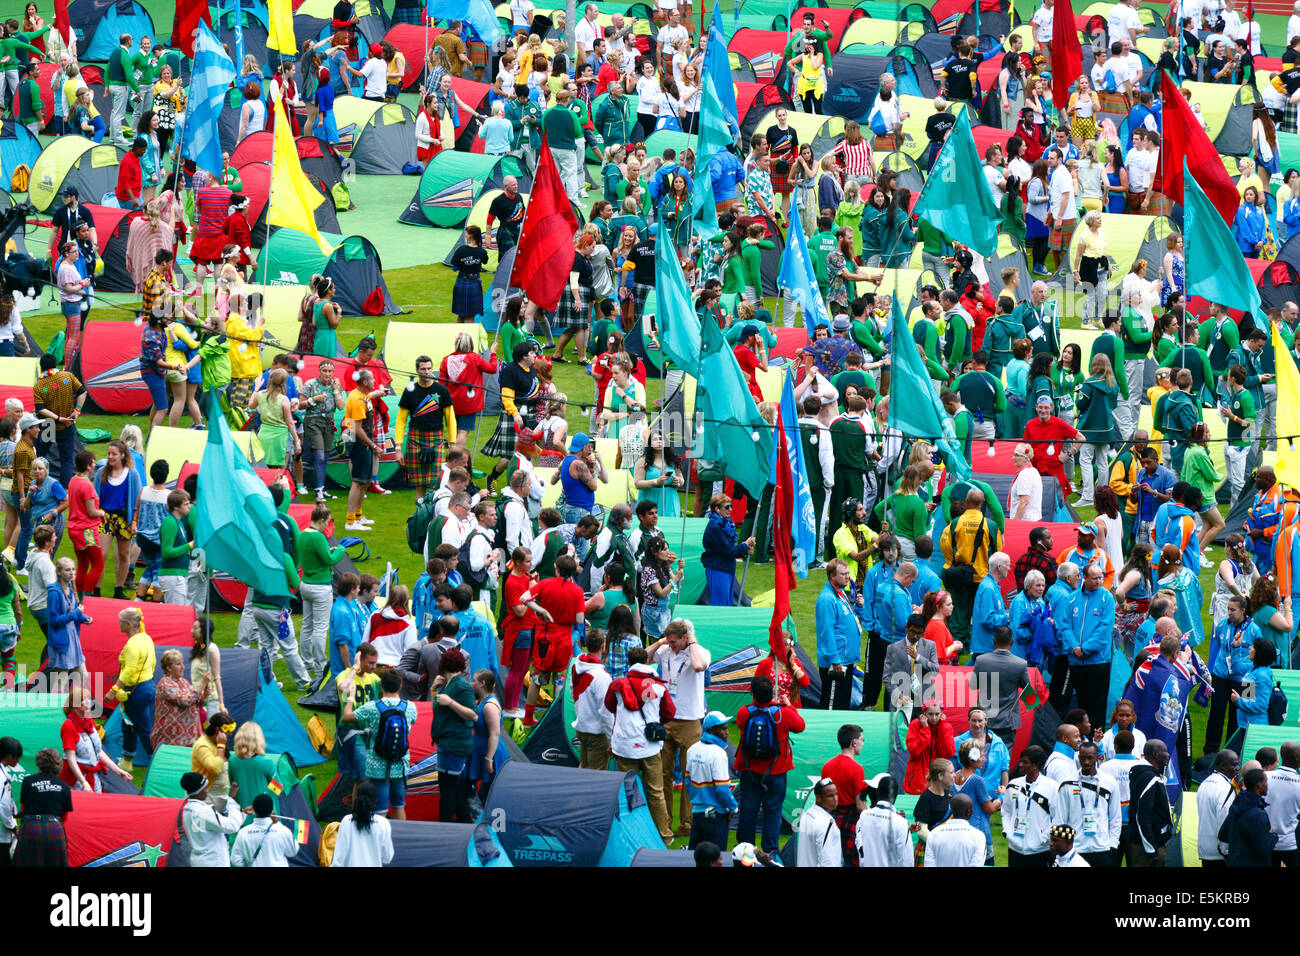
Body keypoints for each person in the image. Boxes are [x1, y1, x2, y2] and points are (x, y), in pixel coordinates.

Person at [604, 644, 674, 844]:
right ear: (646, 661)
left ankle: (631, 832)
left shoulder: (618, 684)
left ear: (629, 662)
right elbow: (669, 713)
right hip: (650, 746)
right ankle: (664, 835)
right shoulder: (658, 686)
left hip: (625, 745)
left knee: (628, 791)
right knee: (656, 791)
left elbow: (609, 706)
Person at [734, 674, 804, 853]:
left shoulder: (744, 712)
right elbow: (800, 726)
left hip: (750, 770)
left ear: (752, 693)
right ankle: (770, 851)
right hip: (776, 771)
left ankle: (744, 849)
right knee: (773, 811)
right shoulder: (783, 713)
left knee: (748, 810)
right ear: (772, 692)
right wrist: (789, 705)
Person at [429, 647, 476, 822]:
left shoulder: (462, 686)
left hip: (454, 744)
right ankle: (464, 821)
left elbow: (473, 714)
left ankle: (446, 824)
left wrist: (451, 703)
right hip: (446, 743)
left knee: (447, 789)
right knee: (450, 787)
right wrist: (434, 690)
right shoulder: (446, 684)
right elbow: (435, 708)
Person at [13, 748, 73, 867]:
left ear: (38, 763)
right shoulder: (64, 786)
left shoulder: (28, 781)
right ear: (58, 765)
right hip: (54, 828)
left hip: (31, 828)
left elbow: (24, 807)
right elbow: (64, 817)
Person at [1003, 745, 1059, 866]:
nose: (1020, 765)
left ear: (1036, 765)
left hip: (1040, 850)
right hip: (1015, 849)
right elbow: (1006, 811)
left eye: (1025, 762)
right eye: (1021, 761)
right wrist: (1007, 831)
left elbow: (1057, 817)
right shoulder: (1013, 785)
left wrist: (1044, 838)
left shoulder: (1052, 787)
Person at [179, 770, 242, 867]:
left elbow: (204, 828)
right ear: (198, 791)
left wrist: (242, 813)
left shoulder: (189, 809)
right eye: (205, 788)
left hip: (200, 860)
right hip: (213, 862)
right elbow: (232, 826)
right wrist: (232, 801)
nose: (207, 790)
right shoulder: (203, 812)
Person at [702, 492, 753, 607]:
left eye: (731, 506)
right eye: (727, 507)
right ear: (717, 509)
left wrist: (745, 549)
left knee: (727, 603)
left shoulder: (726, 523)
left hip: (726, 568)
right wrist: (744, 545)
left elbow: (728, 549)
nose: (730, 509)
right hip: (718, 570)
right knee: (721, 604)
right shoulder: (715, 527)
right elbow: (728, 551)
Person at [1127, 739, 1173, 866]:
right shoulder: (1150, 778)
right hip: (1148, 847)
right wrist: (1151, 850)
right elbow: (1142, 816)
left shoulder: (1146, 775)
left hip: (1148, 843)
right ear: (1156, 755)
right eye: (1165, 752)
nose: (1168, 755)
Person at [330, 781, 395, 866]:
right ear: (375, 800)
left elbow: (338, 858)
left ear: (356, 798)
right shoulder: (383, 823)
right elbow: (387, 857)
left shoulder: (346, 821)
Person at [855, 774, 912, 866]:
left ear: (878, 792)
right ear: (896, 794)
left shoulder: (864, 816)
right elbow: (906, 861)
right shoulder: (900, 822)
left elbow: (860, 847)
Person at [151, 648, 203, 749]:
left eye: (182, 663)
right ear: (169, 668)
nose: (183, 667)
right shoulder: (165, 684)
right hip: (169, 738)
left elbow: (195, 699)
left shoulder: (184, 682)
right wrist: (202, 685)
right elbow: (184, 700)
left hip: (187, 737)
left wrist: (203, 695)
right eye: (178, 664)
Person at [1224, 767, 1277, 866]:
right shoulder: (1258, 814)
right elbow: (1264, 848)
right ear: (1259, 785)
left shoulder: (1236, 806)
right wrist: (1273, 836)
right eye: (1266, 781)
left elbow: (1223, 835)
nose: (1267, 785)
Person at [1197, 747, 1239, 867]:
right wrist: (1226, 851)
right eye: (1234, 765)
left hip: (1204, 848)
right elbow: (1225, 821)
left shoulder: (1205, 783)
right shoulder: (1226, 789)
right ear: (1222, 766)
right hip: (1219, 852)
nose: (1238, 768)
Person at [231, 793, 299, 867]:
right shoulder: (282, 830)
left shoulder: (243, 833)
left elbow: (235, 860)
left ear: (254, 809)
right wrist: (278, 824)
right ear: (272, 809)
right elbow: (293, 851)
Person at [904, 700, 955, 794]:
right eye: (930, 714)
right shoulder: (915, 725)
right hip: (918, 775)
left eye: (937, 714)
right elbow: (914, 751)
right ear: (924, 713)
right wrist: (925, 729)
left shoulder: (945, 726)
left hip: (939, 775)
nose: (934, 718)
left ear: (942, 714)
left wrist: (943, 727)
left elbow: (948, 752)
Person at [923, 793, 986, 867]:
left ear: (951, 810)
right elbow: (976, 864)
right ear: (970, 812)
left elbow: (929, 864)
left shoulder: (934, 834)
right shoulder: (978, 836)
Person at [797, 778, 843, 867]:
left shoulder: (807, 814)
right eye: (830, 796)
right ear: (818, 798)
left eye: (836, 794)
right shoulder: (825, 823)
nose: (835, 799)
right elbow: (827, 860)